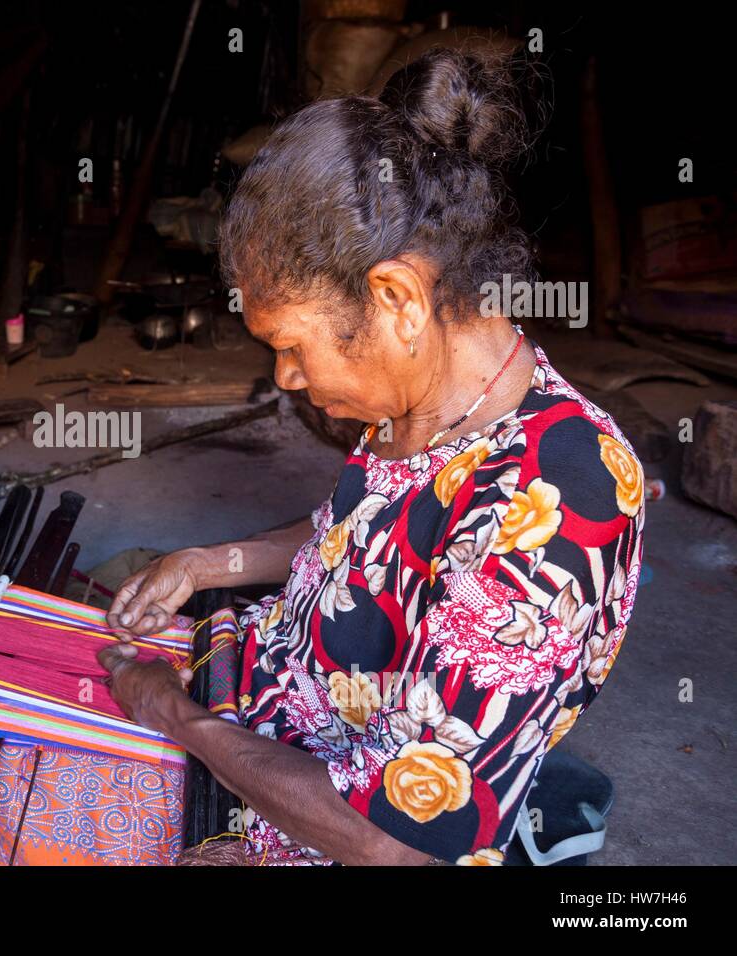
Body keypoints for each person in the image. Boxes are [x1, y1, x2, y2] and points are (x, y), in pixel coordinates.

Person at [97, 49, 645, 866]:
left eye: (290, 346)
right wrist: (208, 563)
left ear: (395, 298)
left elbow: (396, 847)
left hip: (317, 817)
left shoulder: (561, 497)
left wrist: (178, 720)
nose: (282, 377)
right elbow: (357, 540)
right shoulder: (422, 402)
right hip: (253, 707)